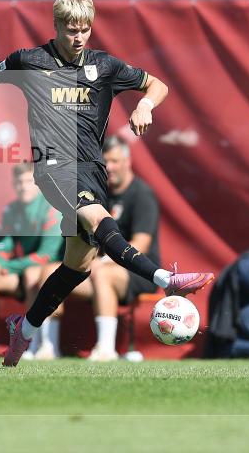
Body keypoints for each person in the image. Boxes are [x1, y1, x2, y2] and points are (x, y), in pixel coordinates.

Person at [0, 0, 215, 367]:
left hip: (91, 170)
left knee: (76, 267)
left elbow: (157, 85)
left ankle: (26, 329)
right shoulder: (29, 61)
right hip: (52, 168)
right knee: (99, 220)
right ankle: (166, 279)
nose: (79, 37)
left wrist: (145, 103)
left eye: (85, 29)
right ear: (56, 26)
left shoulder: (105, 66)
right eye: (71, 30)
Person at [0, 161, 63, 359]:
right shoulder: (11, 210)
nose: (23, 186)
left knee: (33, 273)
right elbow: (6, 246)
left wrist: (2, 264)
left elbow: (46, 256)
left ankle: (37, 344)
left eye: (28, 181)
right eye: (19, 182)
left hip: (56, 272)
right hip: (24, 270)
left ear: (38, 183)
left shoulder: (51, 206)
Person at [83, 136, 161, 361]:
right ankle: (44, 346)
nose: (110, 167)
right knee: (47, 273)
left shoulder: (142, 194)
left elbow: (142, 243)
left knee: (102, 274)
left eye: (115, 161)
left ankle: (106, 349)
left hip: (141, 271)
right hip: (98, 268)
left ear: (128, 161)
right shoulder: (99, 195)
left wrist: (104, 261)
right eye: (105, 162)